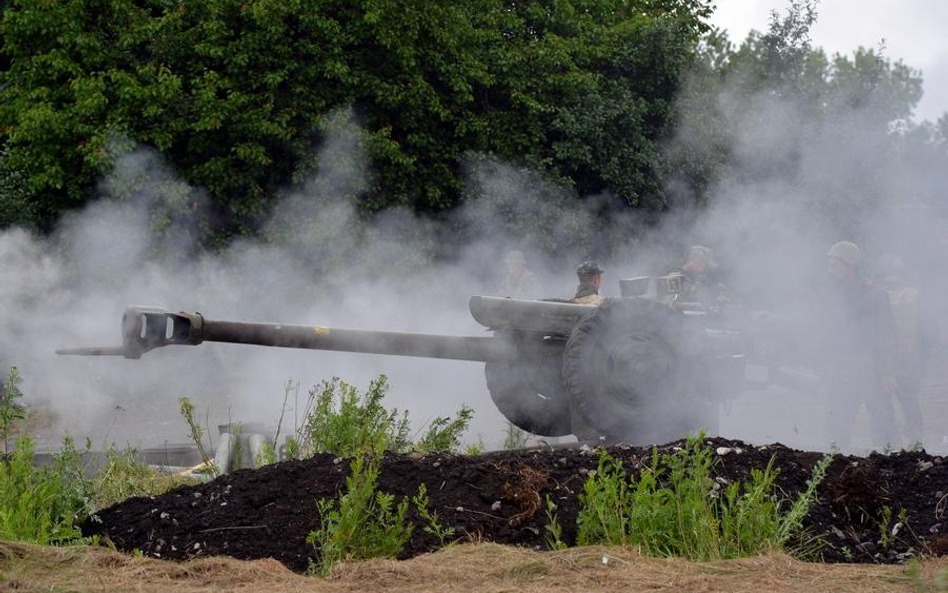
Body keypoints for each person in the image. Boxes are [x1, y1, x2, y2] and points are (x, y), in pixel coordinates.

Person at [819, 241, 898, 451]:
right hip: (843, 371)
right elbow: (825, 333)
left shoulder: (875, 295)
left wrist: (887, 372)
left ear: (849, 266)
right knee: (836, 431)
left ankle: (888, 468)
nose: (830, 270)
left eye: (834, 265)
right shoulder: (831, 295)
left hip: (873, 370)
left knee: (884, 429)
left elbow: (886, 335)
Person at [874, 253, 927, 446]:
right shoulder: (907, 295)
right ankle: (894, 445)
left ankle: (912, 444)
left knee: (907, 402)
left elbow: (921, 330)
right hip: (893, 356)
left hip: (904, 357)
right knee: (886, 404)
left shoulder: (908, 296)